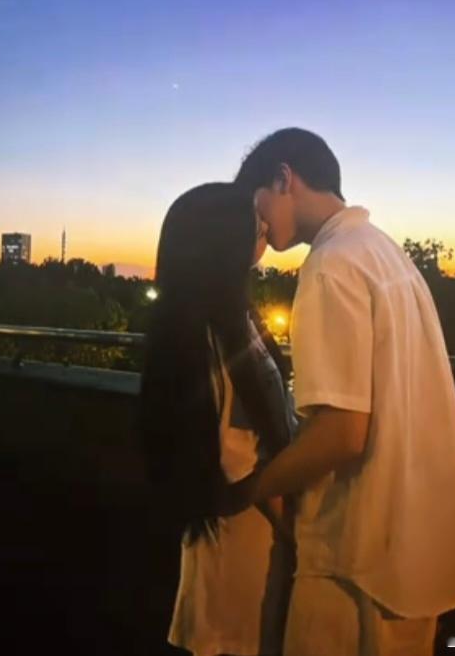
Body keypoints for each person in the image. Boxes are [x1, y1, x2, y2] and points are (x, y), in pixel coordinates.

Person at [231, 128, 455, 656]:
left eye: (255, 203)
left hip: (356, 558)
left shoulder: (330, 266)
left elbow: (341, 432)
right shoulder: (382, 251)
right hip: (413, 549)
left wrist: (250, 489)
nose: (255, 221)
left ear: (284, 179)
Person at [139, 182, 298, 656]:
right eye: (254, 223)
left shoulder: (233, 321)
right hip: (239, 564)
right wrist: (300, 535)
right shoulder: (206, 341)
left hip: (247, 550)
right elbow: (237, 464)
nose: (265, 227)